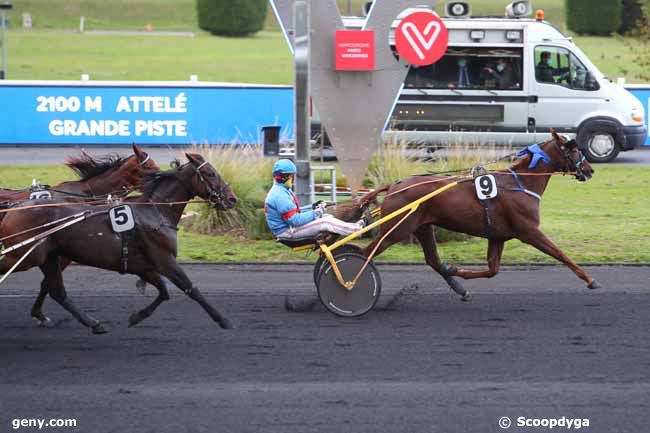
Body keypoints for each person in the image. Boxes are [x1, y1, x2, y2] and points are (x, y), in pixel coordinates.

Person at [264, 159, 364, 241]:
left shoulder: (282, 190)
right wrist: (316, 213)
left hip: (288, 228)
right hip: (288, 232)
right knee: (325, 222)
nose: (294, 179)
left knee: (327, 216)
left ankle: (351, 227)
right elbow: (295, 220)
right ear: (284, 178)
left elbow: (294, 213)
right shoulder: (280, 195)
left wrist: (312, 207)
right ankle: (357, 230)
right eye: (292, 176)